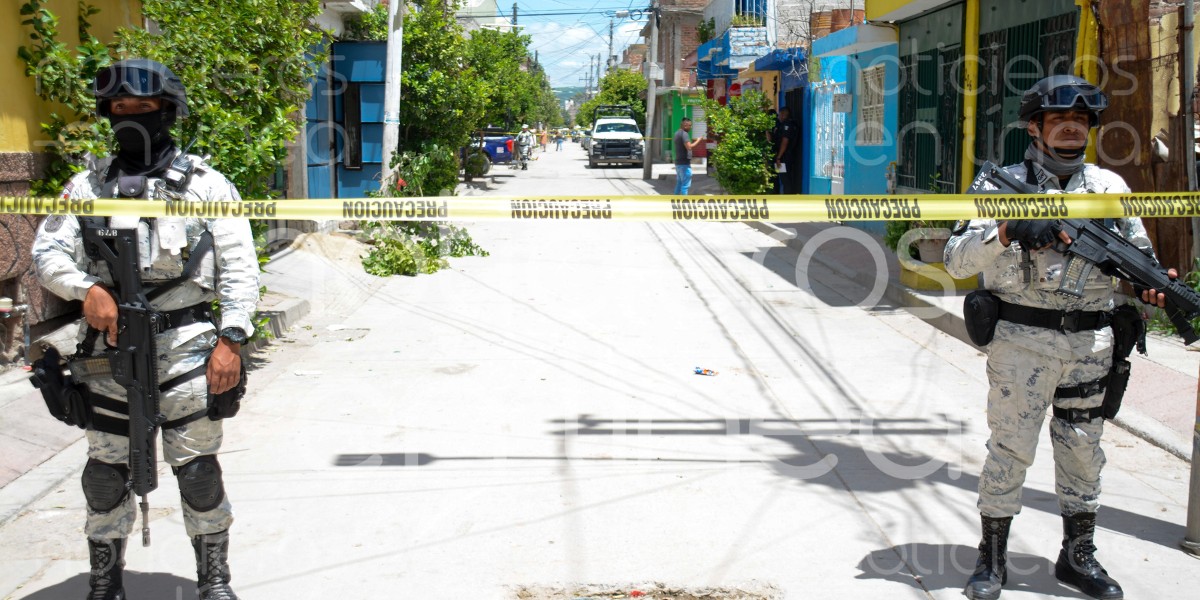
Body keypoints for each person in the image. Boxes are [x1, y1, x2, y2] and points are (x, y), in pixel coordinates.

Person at [31, 59, 259, 600]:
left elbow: (240, 266)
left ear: (168, 111)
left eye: (143, 108)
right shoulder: (87, 184)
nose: (129, 117)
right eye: (118, 109)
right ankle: (105, 580)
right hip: (111, 354)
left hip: (187, 350)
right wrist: (87, 288)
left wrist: (232, 340)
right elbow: (47, 252)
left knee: (198, 471)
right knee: (106, 473)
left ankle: (214, 581)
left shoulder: (205, 185)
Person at [946, 75, 1178, 600]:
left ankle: (1078, 557)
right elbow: (956, 259)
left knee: (1082, 451)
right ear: (1034, 127)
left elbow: (1138, 256)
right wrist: (1007, 231)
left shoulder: (1108, 190)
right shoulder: (1000, 184)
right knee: (1010, 451)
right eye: (1059, 120)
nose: (1072, 129)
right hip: (1021, 342)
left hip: (1091, 345)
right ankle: (992, 560)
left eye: (1081, 121)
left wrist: (1155, 290)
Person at [673, 118, 704, 195]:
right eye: (690, 125)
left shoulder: (676, 133)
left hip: (678, 163)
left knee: (679, 183)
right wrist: (698, 140)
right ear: (685, 125)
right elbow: (689, 147)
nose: (691, 127)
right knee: (685, 186)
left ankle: (674, 201)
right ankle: (684, 204)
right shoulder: (684, 134)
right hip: (684, 164)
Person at [773, 106, 799, 194]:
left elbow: (784, 142)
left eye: (779, 115)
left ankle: (787, 200)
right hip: (785, 156)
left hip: (783, 158)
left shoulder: (786, 125)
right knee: (783, 178)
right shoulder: (786, 124)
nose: (778, 117)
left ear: (783, 115)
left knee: (785, 179)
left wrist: (778, 157)